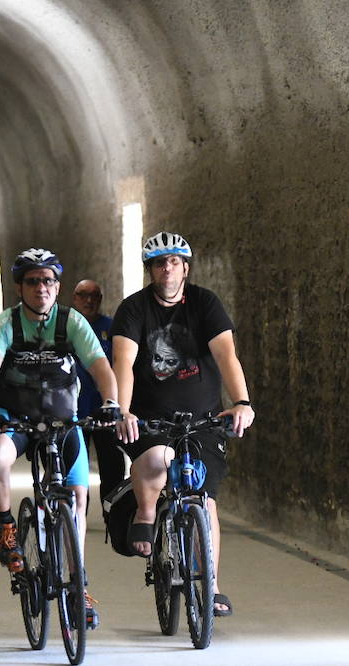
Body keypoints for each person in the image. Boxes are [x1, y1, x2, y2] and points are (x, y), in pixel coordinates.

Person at [0, 248, 120, 622]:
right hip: (16, 417)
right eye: (34, 281)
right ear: (20, 287)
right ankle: (6, 524)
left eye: (49, 281)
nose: (42, 288)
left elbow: (99, 365)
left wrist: (111, 402)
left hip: (62, 420)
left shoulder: (71, 322)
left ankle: (79, 586)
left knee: (78, 499)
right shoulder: (4, 324)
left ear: (58, 286)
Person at [112, 231, 255, 618]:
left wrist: (241, 402)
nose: (167, 267)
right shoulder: (134, 309)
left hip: (204, 418)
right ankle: (145, 512)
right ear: (150, 271)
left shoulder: (206, 303)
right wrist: (122, 410)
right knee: (157, 459)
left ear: (185, 268)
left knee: (205, 499)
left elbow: (226, 355)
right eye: (160, 262)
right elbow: (123, 363)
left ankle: (211, 585)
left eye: (174, 261)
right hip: (150, 417)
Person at [71, 278, 127, 498]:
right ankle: (75, 519)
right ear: (74, 298)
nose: (89, 300)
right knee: (74, 465)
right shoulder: (67, 327)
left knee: (112, 465)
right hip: (74, 410)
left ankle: (112, 515)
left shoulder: (111, 328)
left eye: (94, 296)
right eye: (83, 295)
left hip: (105, 409)